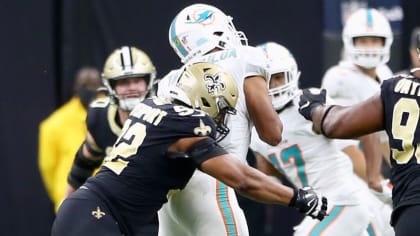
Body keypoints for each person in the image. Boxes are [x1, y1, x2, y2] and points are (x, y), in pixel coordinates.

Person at [51, 62, 328, 236]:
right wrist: (296, 197)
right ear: (206, 100)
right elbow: (242, 179)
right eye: (221, 110)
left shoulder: (152, 106)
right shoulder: (186, 124)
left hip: (91, 211)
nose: (220, 120)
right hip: (100, 217)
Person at [156, 3, 283, 236]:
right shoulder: (246, 57)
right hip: (212, 184)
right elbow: (272, 134)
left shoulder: (169, 81)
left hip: (168, 195)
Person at [251, 41, 394, 235]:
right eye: (267, 80)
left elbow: (367, 130)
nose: (274, 86)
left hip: (343, 199)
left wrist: (374, 177)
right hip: (320, 208)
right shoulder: (253, 127)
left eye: (278, 77)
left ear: (291, 75)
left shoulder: (308, 104)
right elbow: (269, 174)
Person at [297, 42, 420, 235]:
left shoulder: (396, 87)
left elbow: (337, 124)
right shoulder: (342, 77)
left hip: (411, 209)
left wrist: (315, 108)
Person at [63, 46, 159, 234]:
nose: (132, 88)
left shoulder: (167, 116)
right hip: (121, 210)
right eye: (123, 82)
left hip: (166, 205)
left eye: (138, 80)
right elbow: (82, 166)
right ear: (110, 86)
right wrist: (65, 209)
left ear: (149, 81)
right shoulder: (100, 117)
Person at [321, 7, 393, 185]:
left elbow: (386, 137)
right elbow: (344, 146)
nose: (369, 47)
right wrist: (379, 184)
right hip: (347, 177)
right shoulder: (339, 78)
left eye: (375, 41)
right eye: (363, 41)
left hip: (373, 172)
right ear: (350, 42)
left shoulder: (385, 73)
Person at [38, 66, 102, 212]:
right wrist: (61, 196)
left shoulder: (115, 115)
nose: (90, 90)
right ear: (76, 88)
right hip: (71, 202)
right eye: (85, 86)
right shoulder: (54, 124)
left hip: (109, 200)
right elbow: (48, 167)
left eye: (95, 86)